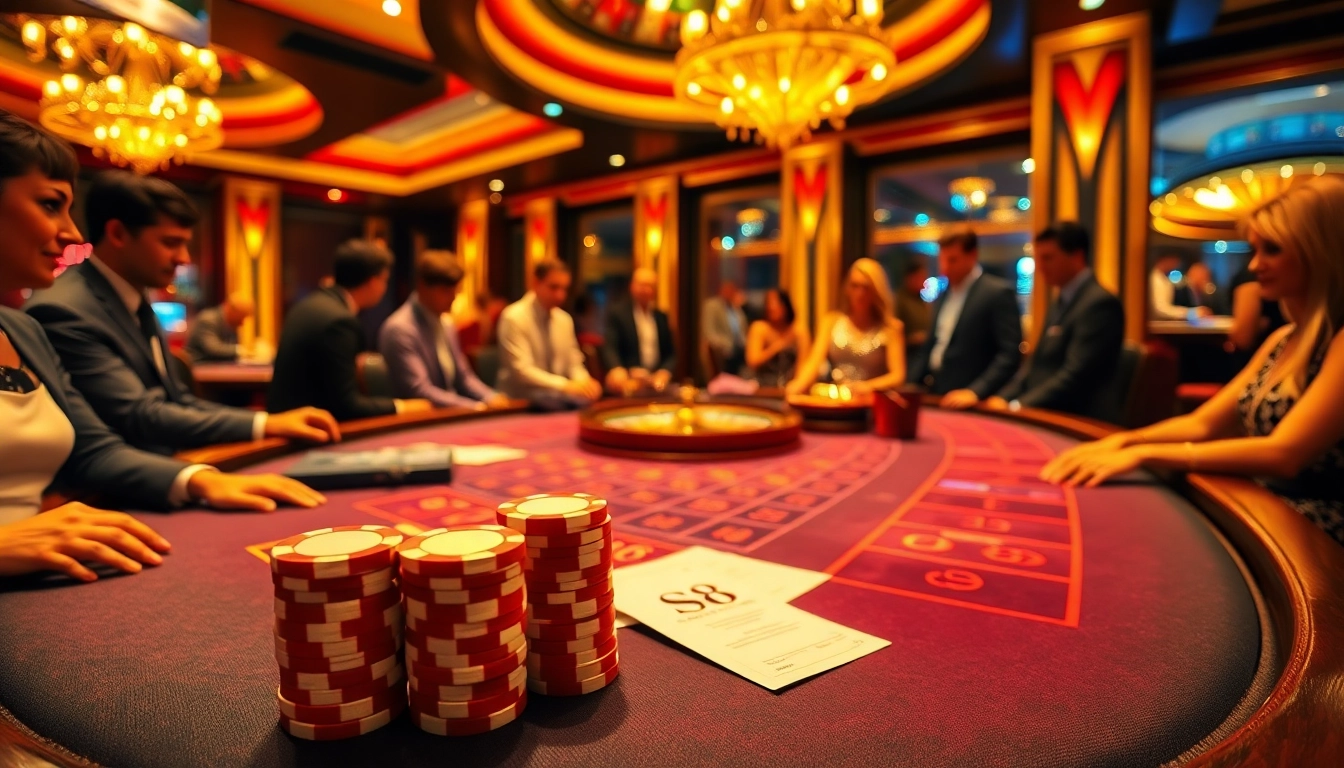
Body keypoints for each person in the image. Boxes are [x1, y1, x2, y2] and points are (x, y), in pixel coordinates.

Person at [0, 112, 325, 583]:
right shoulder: (59, 310)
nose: (72, 234)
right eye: (51, 205)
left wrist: (200, 479)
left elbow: (93, 449)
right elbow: (139, 415)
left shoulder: (23, 330)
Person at [1042, 176, 1344, 546]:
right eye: (1254, 250)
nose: (1254, 265)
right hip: (1266, 510)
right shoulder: (1282, 340)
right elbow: (1201, 423)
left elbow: (1283, 454)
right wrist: (1124, 441)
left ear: (1320, 251)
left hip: (1317, 535)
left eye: (1272, 249)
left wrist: (1145, 454)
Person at [24, 172, 338, 455]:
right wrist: (264, 426)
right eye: (171, 243)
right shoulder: (65, 310)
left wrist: (265, 422)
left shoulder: (132, 297)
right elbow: (139, 415)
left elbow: (177, 401)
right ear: (118, 234)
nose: (184, 258)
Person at [269, 240, 432, 421]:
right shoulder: (340, 322)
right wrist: (401, 407)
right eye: (384, 280)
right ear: (373, 282)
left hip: (284, 418)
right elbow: (346, 407)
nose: (384, 288)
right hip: (303, 428)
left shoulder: (309, 304)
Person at [984, 222, 1124, 418]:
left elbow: (1076, 376)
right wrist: (1004, 398)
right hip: (1044, 410)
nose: (1040, 267)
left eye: (1048, 258)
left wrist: (1017, 406)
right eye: (1038, 259)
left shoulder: (1100, 304)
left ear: (1077, 256)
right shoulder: (1062, 299)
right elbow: (1035, 366)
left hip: (1077, 419)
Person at [378, 251, 508, 411]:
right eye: (446, 290)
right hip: (419, 420)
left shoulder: (446, 323)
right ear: (422, 287)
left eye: (456, 290)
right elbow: (419, 390)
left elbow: (463, 377)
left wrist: (491, 397)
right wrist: (475, 407)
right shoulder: (400, 329)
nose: (453, 297)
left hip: (452, 413)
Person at [909, 230, 1022, 410]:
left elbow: (1009, 355)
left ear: (973, 255)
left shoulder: (997, 293)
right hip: (937, 393)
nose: (945, 268)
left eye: (952, 260)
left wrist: (975, 391)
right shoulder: (944, 295)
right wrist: (909, 387)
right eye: (942, 260)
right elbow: (930, 347)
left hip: (974, 401)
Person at [786, 258, 905, 395]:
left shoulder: (891, 328)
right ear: (847, 288)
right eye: (855, 286)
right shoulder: (831, 322)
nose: (860, 293)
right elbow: (814, 362)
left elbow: (897, 376)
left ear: (876, 290)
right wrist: (798, 385)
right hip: (839, 398)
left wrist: (867, 387)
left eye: (866, 287)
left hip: (872, 400)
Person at [496, 258, 602, 409]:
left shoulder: (564, 320)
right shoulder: (513, 317)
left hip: (557, 401)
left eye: (564, 289)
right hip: (519, 405)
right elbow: (522, 371)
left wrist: (585, 384)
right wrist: (566, 385)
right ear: (535, 283)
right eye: (554, 287)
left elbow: (574, 363)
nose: (560, 295)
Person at [601, 268, 676, 396]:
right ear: (632, 286)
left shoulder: (661, 317)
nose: (645, 290)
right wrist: (617, 369)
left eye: (650, 286)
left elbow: (671, 354)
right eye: (642, 285)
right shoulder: (617, 314)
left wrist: (664, 372)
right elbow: (609, 347)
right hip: (628, 380)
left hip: (655, 381)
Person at [1226, 262, 1286, 371]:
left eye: (1272, 252)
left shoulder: (1249, 278)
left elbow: (1243, 338)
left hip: (1262, 366)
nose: (1253, 266)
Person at [746, 288, 810, 388]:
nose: (772, 307)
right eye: (769, 303)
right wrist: (776, 348)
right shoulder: (759, 328)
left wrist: (797, 385)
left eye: (776, 302)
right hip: (761, 385)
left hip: (791, 385)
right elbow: (753, 361)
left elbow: (803, 367)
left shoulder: (798, 331)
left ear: (786, 305)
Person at [184, 292, 265, 364]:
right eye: (241, 317)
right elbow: (214, 349)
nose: (242, 323)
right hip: (199, 368)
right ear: (231, 309)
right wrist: (243, 351)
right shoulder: (208, 320)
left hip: (219, 368)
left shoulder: (231, 325)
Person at [702, 281, 748, 376]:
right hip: (723, 353)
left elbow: (742, 330)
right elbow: (709, 333)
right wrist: (724, 345)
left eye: (733, 291)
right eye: (727, 290)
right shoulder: (712, 306)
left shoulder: (735, 308)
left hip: (740, 353)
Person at [1151, 252, 1210, 320]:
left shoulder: (1164, 279)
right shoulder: (1155, 279)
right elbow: (1161, 309)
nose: (1177, 264)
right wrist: (1191, 313)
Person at [896, 259, 932, 352]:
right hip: (909, 354)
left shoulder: (921, 301)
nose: (923, 281)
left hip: (923, 352)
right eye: (921, 277)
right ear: (910, 277)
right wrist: (913, 339)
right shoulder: (900, 301)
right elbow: (895, 334)